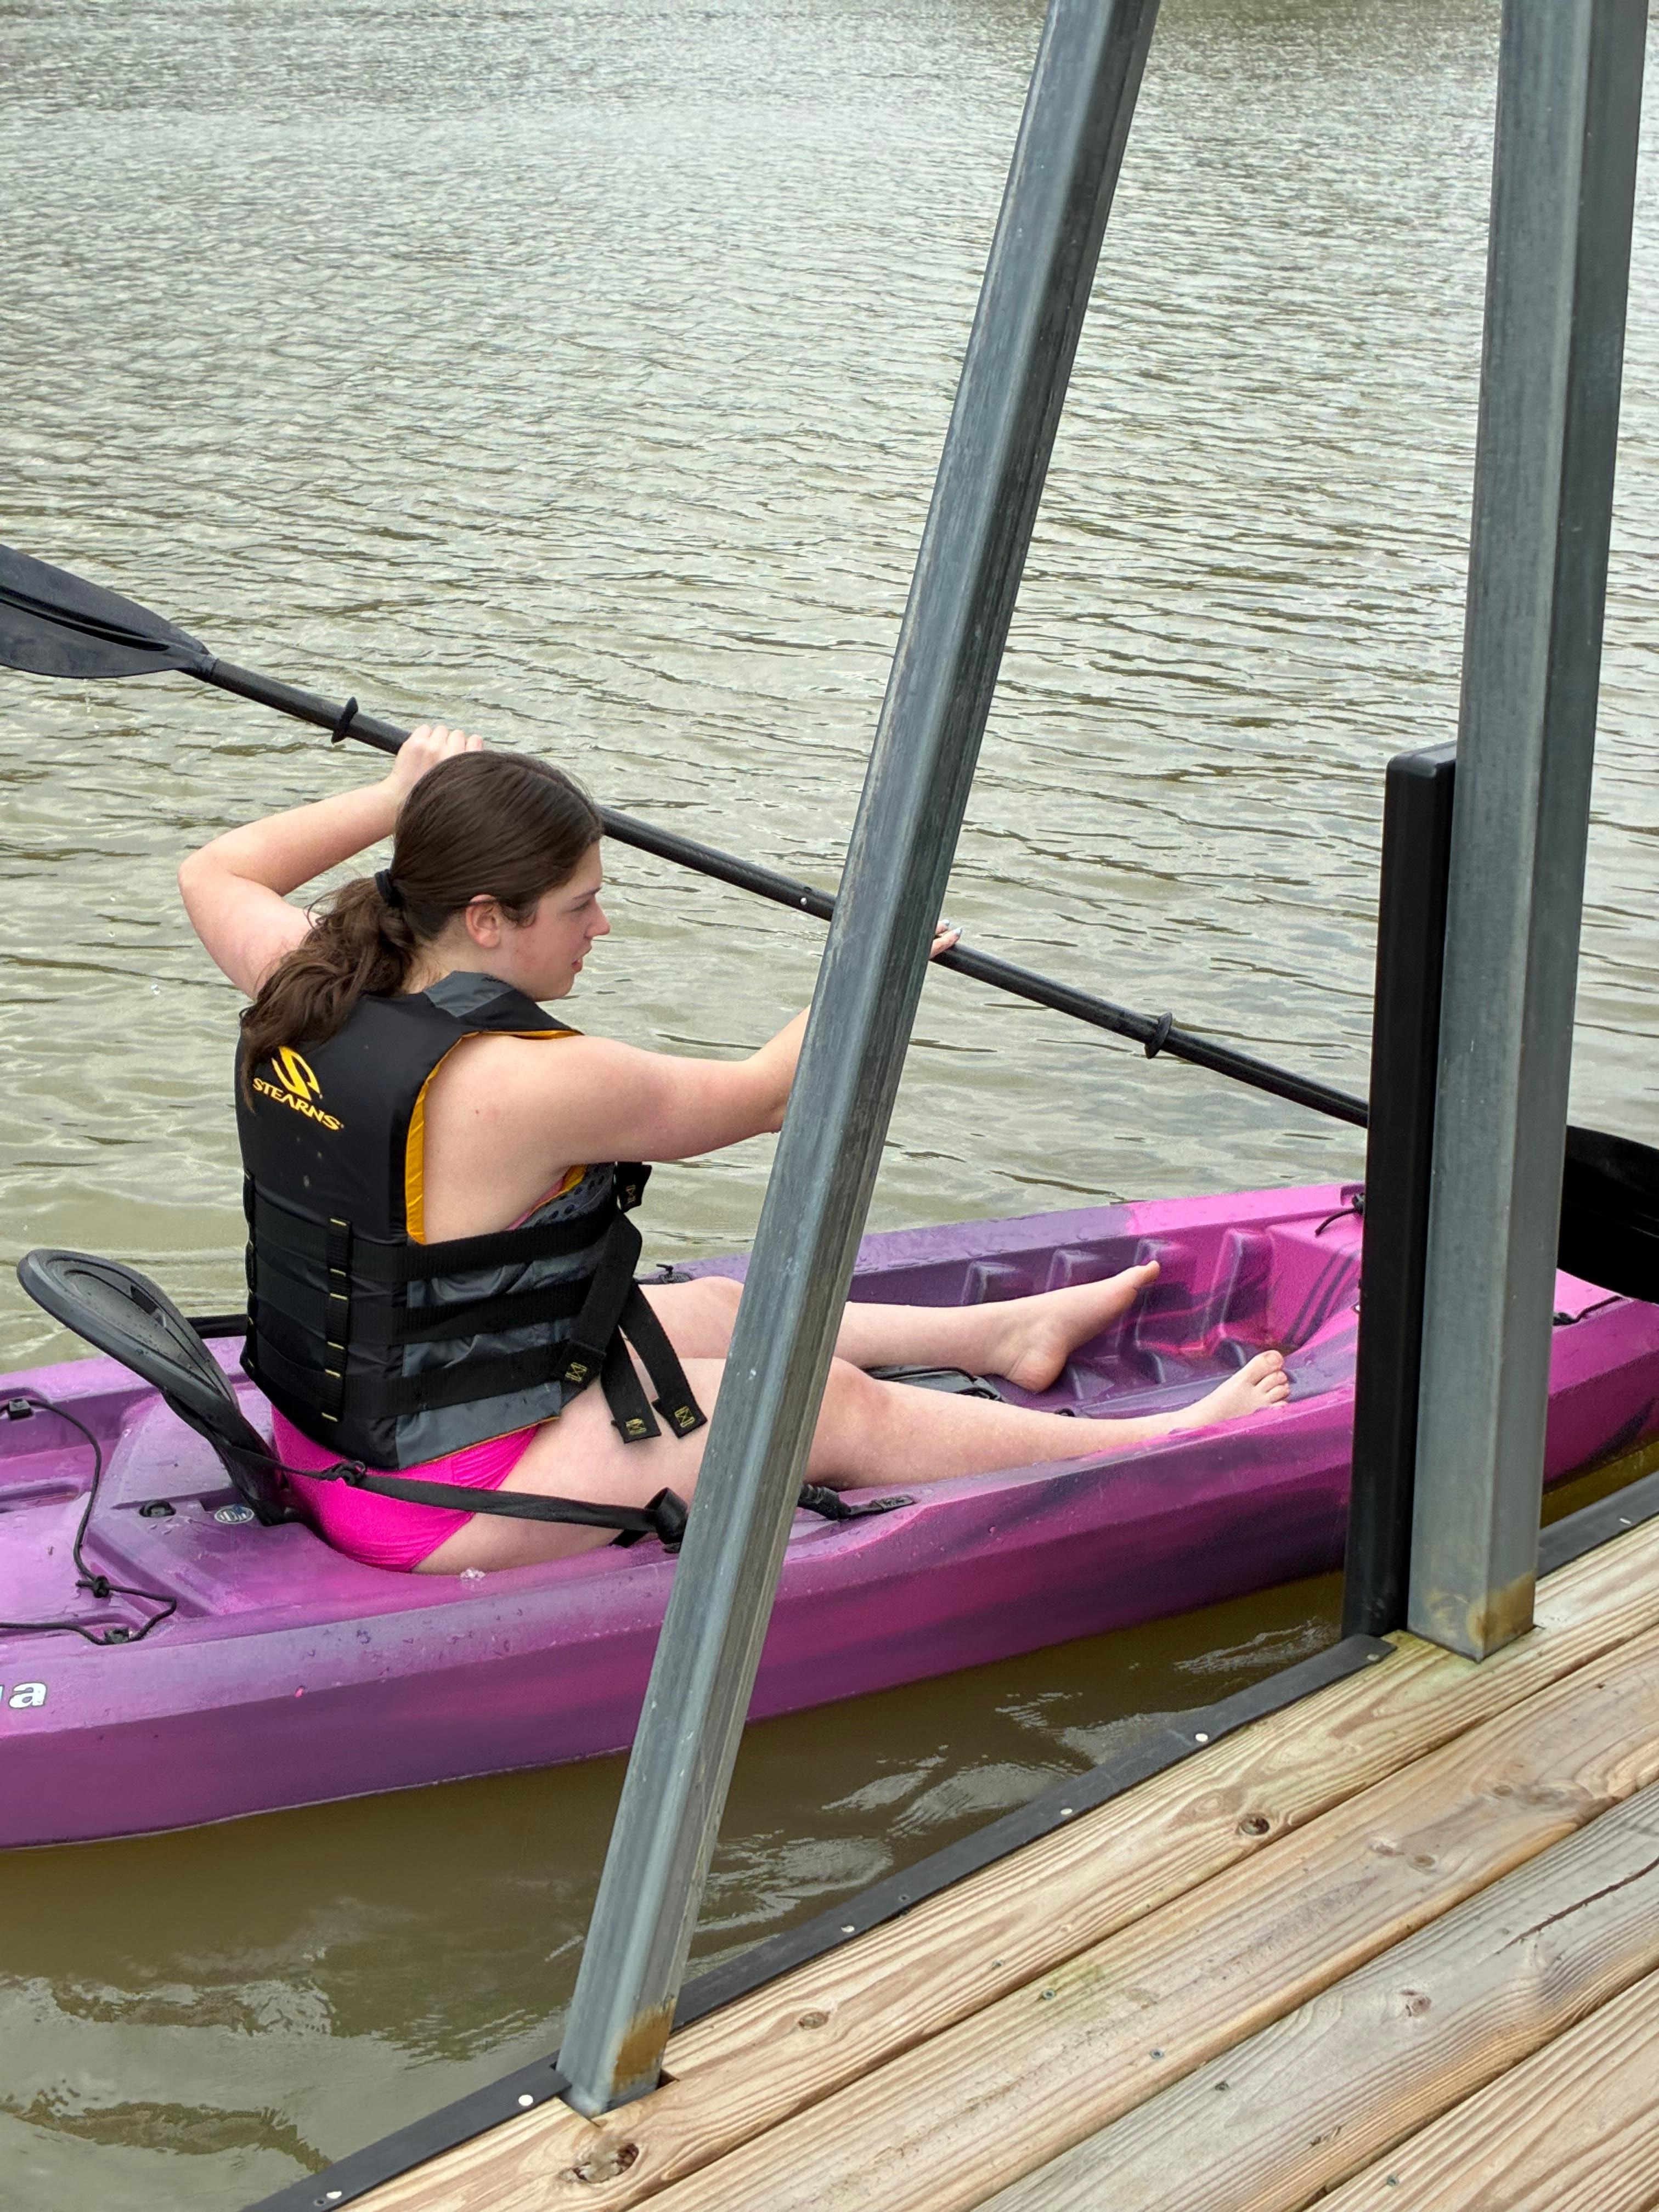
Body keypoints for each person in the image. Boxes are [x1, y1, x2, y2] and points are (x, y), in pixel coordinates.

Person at [179, 727, 1290, 1576]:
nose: (600, 928)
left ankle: (1008, 1331)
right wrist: (879, 953)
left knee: (705, 1315)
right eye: (581, 905)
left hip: (339, 1430)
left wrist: (393, 797)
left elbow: (215, 874)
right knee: (828, 1405)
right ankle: (1160, 1443)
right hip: (434, 1494)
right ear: (485, 920)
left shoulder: (306, 973)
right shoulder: (536, 1082)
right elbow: (770, 1097)